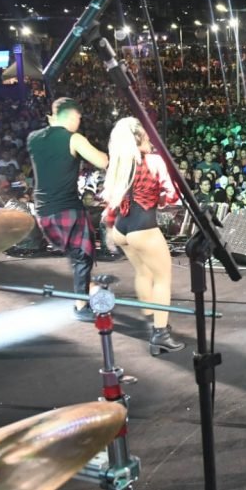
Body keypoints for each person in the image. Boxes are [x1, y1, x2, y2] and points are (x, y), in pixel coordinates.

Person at [102, 117, 185, 356]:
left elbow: (111, 201)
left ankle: (151, 318)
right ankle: (161, 334)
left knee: (143, 273)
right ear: (140, 138)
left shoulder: (118, 164)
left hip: (121, 229)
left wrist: (109, 227)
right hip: (144, 227)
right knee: (162, 279)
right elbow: (171, 195)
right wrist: (157, 199)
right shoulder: (153, 161)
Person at [28, 98, 108, 321]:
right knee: (83, 256)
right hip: (68, 210)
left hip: (43, 212)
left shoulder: (33, 139)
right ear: (73, 116)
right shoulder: (74, 138)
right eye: (79, 118)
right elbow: (101, 161)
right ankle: (81, 306)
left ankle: (90, 288)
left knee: (76, 255)